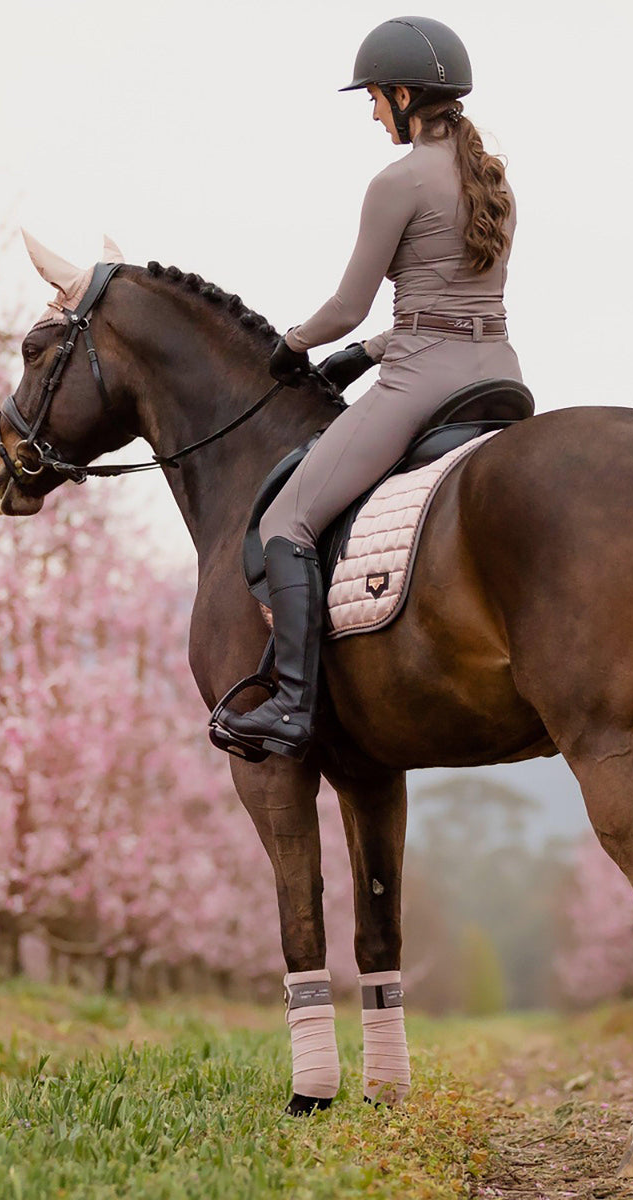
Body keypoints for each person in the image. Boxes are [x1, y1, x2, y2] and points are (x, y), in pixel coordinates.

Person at [217, 15, 523, 761]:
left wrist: (294, 344)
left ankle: (291, 705)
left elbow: (348, 303)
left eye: (376, 97)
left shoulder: (397, 181)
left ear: (405, 93)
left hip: (422, 381)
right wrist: (360, 355)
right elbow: (454, 303)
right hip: (501, 377)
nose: (372, 110)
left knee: (286, 521)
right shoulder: (494, 182)